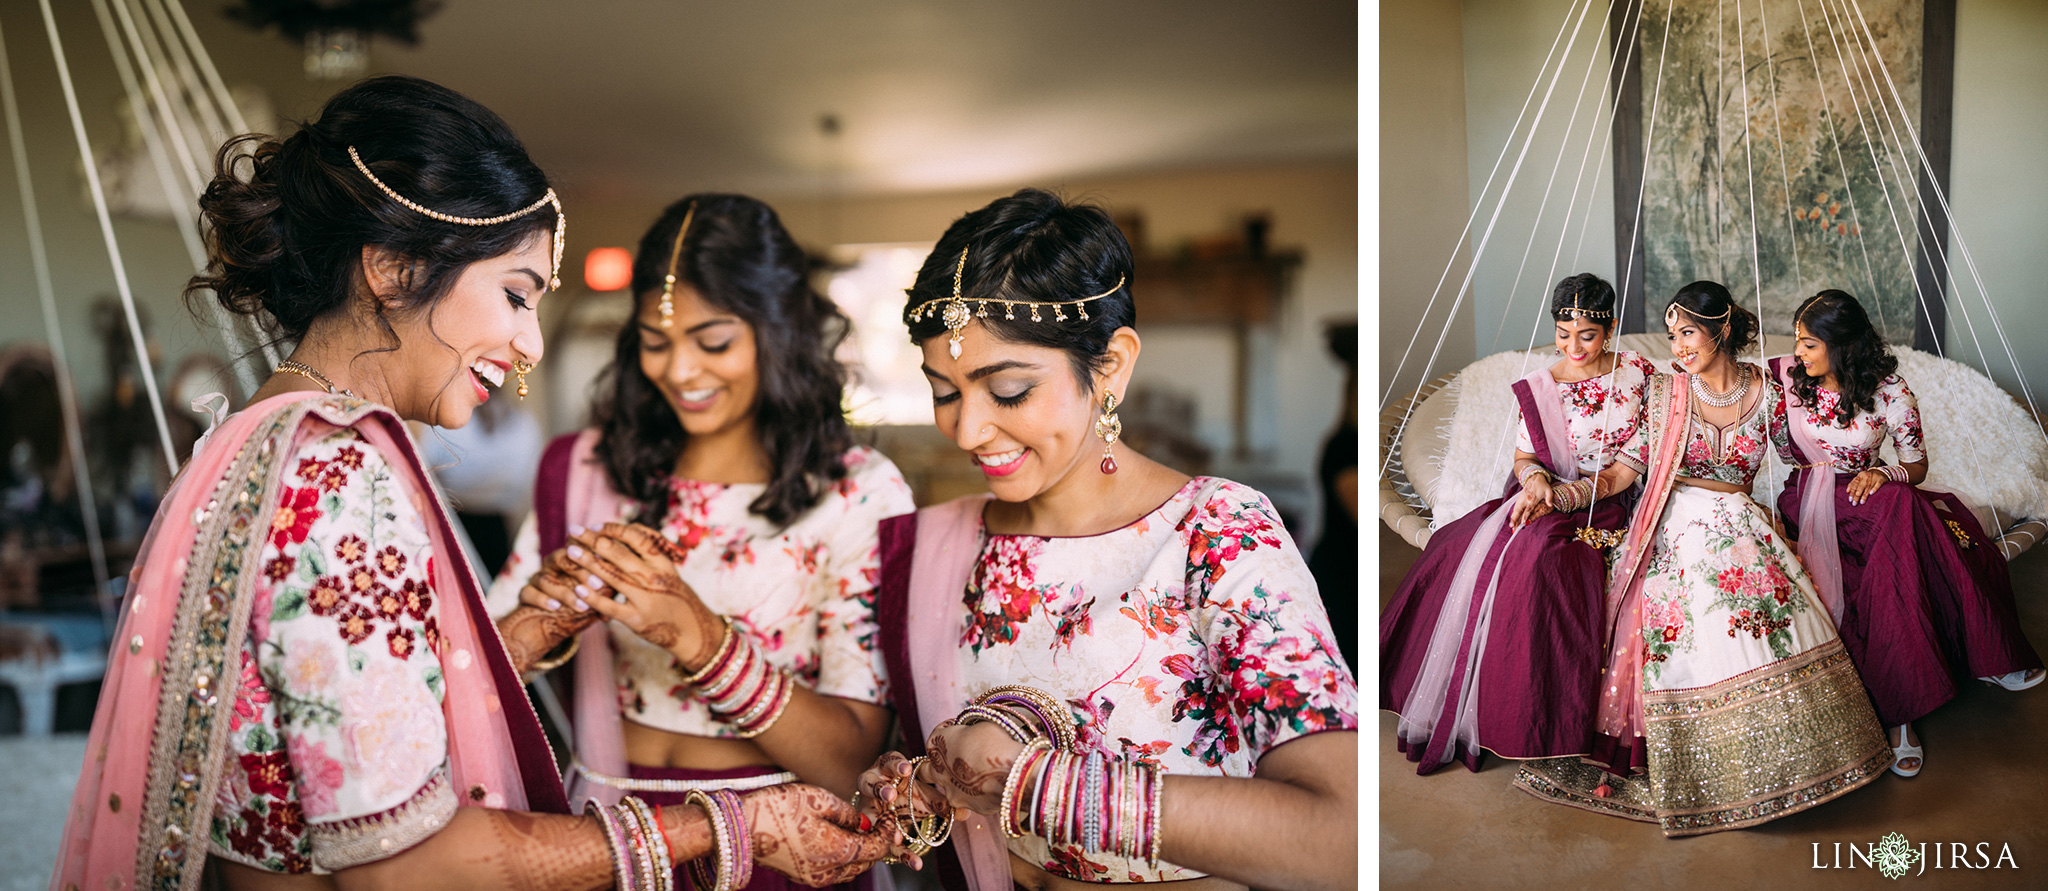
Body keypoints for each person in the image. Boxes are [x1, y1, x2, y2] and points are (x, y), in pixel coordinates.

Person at [51, 76, 887, 891]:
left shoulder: (246, 439)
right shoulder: (342, 482)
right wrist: (729, 826)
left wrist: (527, 629)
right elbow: (410, 867)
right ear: (390, 269)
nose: (531, 344)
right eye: (516, 295)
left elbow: (338, 724)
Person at [856, 190, 1357, 891]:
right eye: (944, 391)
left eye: (1005, 391)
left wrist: (1033, 785)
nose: (967, 431)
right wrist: (919, 782)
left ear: (1112, 366)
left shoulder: (1216, 532)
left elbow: (1342, 837)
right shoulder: (934, 545)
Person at [490, 194, 915, 890]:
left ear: (778, 331)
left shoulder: (857, 490)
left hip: (782, 845)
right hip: (606, 840)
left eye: (712, 342)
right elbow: (479, 678)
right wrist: (549, 618)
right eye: (656, 343)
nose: (681, 371)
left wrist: (700, 638)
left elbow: (848, 764)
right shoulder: (587, 470)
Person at [1514, 281, 1890, 837]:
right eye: (1672, 336)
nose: (1678, 347)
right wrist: (1556, 493)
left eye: (1688, 333)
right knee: (1702, 587)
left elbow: (1811, 448)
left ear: (1723, 330)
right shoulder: (1664, 394)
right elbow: (1623, 471)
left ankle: (1790, 752)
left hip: (1740, 512)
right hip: (1676, 514)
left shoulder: (1772, 391)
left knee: (1761, 581)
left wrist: (1876, 468)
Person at [1381, 274, 1656, 774]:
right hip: (1541, 492)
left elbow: (1622, 472)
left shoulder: (1637, 376)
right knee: (1457, 544)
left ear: (1611, 328)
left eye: (1587, 335)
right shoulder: (1542, 386)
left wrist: (1561, 498)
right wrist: (1536, 486)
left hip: (1603, 502)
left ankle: (1534, 716)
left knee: (1544, 558)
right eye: (1563, 332)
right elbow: (1525, 456)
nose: (1573, 346)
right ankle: (1467, 703)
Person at [1771, 289, 2044, 776]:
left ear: (1843, 345)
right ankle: (1986, 658)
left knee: (1905, 513)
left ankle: (1901, 714)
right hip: (1810, 495)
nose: (1799, 353)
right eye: (1798, 341)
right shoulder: (1784, 381)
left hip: (1873, 493)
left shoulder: (1891, 390)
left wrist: (1883, 474)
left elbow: (1915, 466)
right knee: (1913, 518)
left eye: (1809, 343)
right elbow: (1724, 382)